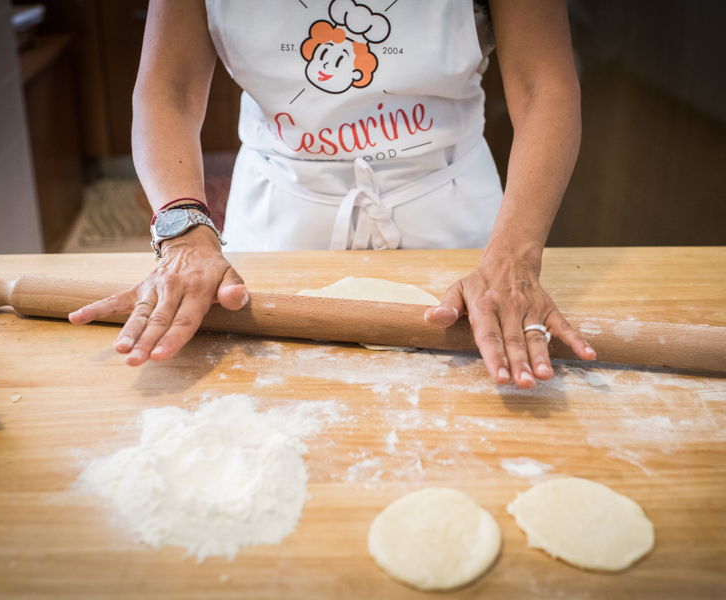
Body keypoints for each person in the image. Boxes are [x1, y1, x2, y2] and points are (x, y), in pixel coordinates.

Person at [69, 0, 597, 389]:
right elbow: (170, 88)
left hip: (453, 216)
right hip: (281, 212)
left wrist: (514, 258)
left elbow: (542, 84)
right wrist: (183, 231)